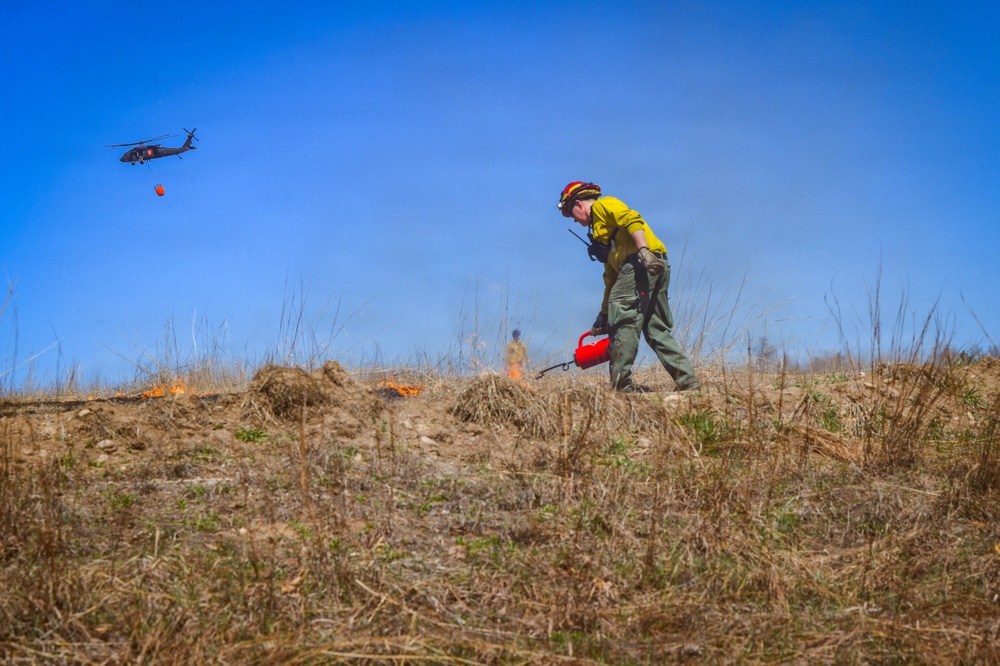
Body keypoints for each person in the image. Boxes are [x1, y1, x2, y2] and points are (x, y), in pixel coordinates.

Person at [557, 181, 699, 393]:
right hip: (655, 266)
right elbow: (611, 278)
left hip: (641, 263)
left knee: (623, 323)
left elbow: (632, 218)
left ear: (578, 204)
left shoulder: (603, 205)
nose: (576, 222)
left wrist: (643, 251)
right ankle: (688, 384)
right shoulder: (602, 233)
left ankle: (621, 389)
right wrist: (603, 314)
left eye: (573, 215)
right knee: (655, 329)